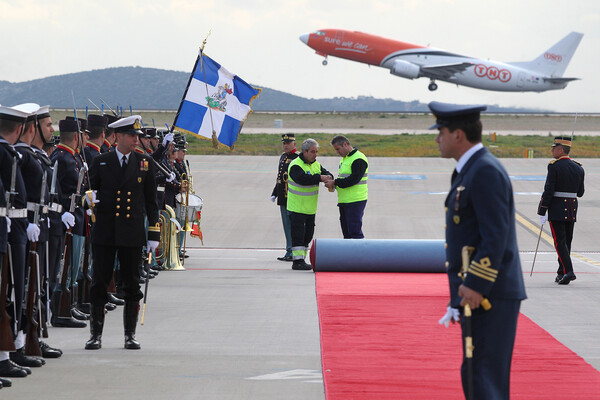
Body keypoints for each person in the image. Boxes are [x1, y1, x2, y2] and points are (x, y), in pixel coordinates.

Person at [430, 101, 526, 400]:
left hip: (490, 294)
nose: (437, 138)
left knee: (485, 376)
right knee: (476, 373)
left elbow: (496, 236)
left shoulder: (483, 171)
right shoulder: (469, 169)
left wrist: (475, 284)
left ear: (458, 135)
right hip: (480, 293)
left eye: (441, 132)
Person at [85, 115, 160, 350]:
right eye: (131, 135)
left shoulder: (143, 163)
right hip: (106, 231)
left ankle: (130, 334)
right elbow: (89, 192)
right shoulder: (101, 161)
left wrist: (153, 234)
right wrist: (88, 201)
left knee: (132, 285)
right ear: (117, 136)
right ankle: (95, 334)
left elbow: (151, 202)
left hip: (131, 232)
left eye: (137, 136)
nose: (136, 140)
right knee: (99, 283)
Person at [537, 136, 585, 285]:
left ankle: (569, 271)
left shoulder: (554, 166)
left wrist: (542, 210)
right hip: (571, 207)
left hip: (557, 207)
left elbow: (549, 189)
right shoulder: (579, 167)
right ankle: (561, 272)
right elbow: (580, 192)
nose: (552, 150)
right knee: (567, 242)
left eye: (554, 148)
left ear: (560, 150)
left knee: (560, 242)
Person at [286, 138, 333, 270]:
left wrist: (328, 177)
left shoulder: (316, 164)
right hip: (297, 208)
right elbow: (302, 179)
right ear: (305, 152)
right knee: (298, 236)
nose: (315, 154)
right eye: (313, 151)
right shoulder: (296, 165)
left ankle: (302, 259)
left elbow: (326, 173)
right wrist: (320, 178)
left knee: (308, 234)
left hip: (310, 208)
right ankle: (297, 261)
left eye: (317, 151)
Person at [324, 135, 368, 239]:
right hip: (345, 200)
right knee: (347, 233)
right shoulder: (344, 159)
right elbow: (344, 178)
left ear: (345, 144)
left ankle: (359, 254)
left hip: (355, 200)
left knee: (355, 232)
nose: (337, 152)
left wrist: (335, 182)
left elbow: (354, 179)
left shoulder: (359, 159)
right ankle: (350, 255)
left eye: (338, 149)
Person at [271, 134, 299, 261]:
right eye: (284, 143)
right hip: (283, 197)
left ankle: (293, 251)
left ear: (294, 144)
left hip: (293, 198)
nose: (285, 145)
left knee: (294, 226)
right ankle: (289, 251)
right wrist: (275, 193)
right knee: (286, 226)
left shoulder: (297, 158)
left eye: (288, 143)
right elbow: (280, 177)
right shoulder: (283, 157)